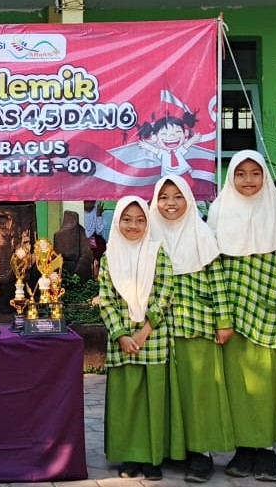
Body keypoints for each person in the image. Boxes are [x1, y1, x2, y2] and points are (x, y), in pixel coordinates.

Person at [207, 150, 276, 481]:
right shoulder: (219, 213)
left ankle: (265, 451)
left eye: (255, 173)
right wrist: (222, 318)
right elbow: (214, 271)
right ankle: (243, 449)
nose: (248, 180)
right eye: (241, 173)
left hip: (269, 317)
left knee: (265, 387)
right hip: (232, 320)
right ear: (230, 177)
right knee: (236, 387)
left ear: (265, 176)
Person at [148, 175, 234, 482]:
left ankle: (201, 453)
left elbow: (218, 282)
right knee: (168, 391)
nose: (170, 203)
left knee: (199, 391)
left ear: (188, 199)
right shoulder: (149, 235)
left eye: (178, 196)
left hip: (197, 324)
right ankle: (172, 450)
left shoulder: (202, 233)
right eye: (163, 197)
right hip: (159, 329)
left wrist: (224, 320)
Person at [98, 196, 177, 480]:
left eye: (140, 220)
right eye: (127, 219)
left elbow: (165, 293)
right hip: (122, 342)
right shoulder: (109, 257)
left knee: (153, 402)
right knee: (127, 402)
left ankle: (153, 458)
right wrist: (121, 334)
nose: (133, 225)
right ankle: (130, 457)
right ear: (117, 221)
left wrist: (144, 331)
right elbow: (106, 299)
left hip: (152, 339)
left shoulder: (157, 252)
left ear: (148, 223)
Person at [83, 200, 107, 278]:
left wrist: (99, 215)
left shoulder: (96, 209)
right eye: (87, 201)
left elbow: (99, 231)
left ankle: (97, 273)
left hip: (93, 238)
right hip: (83, 238)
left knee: (101, 246)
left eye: (92, 201)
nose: (90, 203)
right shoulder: (79, 209)